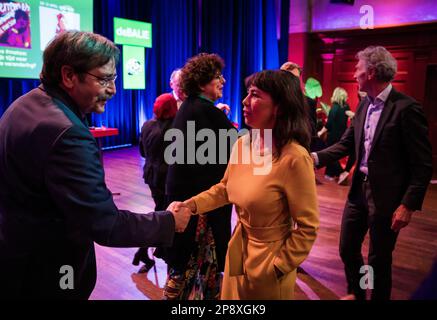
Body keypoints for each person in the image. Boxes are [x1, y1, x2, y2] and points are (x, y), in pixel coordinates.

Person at [0, 31, 192, 299]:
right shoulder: (69, 134)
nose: (113, 89)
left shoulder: (23, 105)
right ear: (68, 76)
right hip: (52, 270)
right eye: (104, 79)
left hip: (18, 254)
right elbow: (105, 224)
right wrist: (168, 222)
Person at [174, 70, 320, 299]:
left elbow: (308, 227)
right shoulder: (242, 143)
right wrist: (190, 205)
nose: (244, 100)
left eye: (254, 94)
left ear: (279, 107)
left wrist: (279, 265)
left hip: (270, 260)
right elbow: (224, 189)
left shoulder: (295, 158)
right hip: (237, 250)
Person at [312, 46, 433, 300]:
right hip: (358, 191)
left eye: (358, 69)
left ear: (372, 72)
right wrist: (313, 158)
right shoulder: (364, 104)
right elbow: (346, 144)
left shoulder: (406, 108)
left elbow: (422, 164)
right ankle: (357, 293)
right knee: (347, 249)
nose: (355, 74)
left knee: (379, 258)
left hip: (387, 197)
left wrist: (408, 205)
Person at [162, 53, 236, 300]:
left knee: (184, 272)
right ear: (203, 82)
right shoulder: (207, 113)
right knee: (198, 275)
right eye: (217, 77)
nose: (223, 80)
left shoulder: (190, 108)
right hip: (201, 212)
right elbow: (237, 154)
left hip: (187, 204)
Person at [132, 93, 179, 273]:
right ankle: (150, 251)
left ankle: (144, 252)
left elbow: (143, 153)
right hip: (167, 179)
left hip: (151, 176)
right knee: (163, 216)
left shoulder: (147, 125)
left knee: (161, 211)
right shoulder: (176, 128)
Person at [317, 87, 351, 181]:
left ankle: (341, 172)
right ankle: (329, 174)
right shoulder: (346, 107)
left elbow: (329, 124)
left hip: (333, 136)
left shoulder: (334, 108)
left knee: (330, 155)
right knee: (333, 154)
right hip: (342, 135)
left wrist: (320, 132)